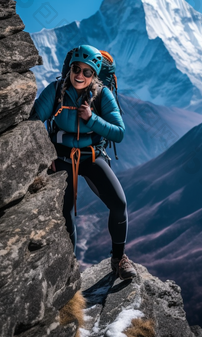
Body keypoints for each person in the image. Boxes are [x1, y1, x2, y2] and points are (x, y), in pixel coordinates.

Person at [29, 44, 137, 280]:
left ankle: (119, 259)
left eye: (87, 72)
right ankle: (70, 266)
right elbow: (34, 122)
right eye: (76, 68)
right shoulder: (56, 91)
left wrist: (92, 118)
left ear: (95, 75)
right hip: (61, 158)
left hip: (91, 156)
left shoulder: (102, 95)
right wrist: (47, 158)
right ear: (69, 68)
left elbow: (118, 132)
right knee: (65, 211)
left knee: (119, 205)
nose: (80, 75)